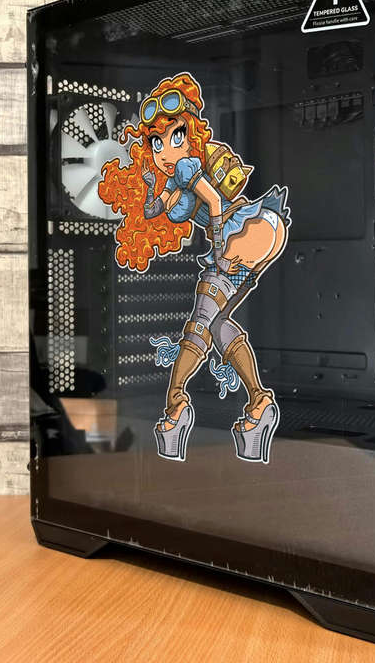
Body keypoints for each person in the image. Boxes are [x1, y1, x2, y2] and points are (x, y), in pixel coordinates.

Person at [99, 72, 290, 463]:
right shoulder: (175, 178)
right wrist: (148, 185)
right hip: (257, 235)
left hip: (241, 229)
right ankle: (259, 406)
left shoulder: (188, 166)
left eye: (175, 136)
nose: (164, 149)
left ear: (191, 134)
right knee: (216, 324)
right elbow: (155, 210)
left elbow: (216, 204)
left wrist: (218, 247)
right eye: (156, 142)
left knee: (201, 322)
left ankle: (175, 407)